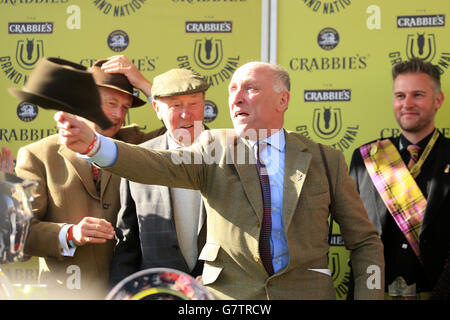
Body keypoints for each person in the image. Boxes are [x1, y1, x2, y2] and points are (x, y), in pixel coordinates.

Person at [55, 61, 385, 300]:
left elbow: (365, 241)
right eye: (232, 89)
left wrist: (370, 296)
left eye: (251, 88)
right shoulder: (213, 147)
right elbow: (154, 163)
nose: (236, 98)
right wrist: (95, 145)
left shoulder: (325, 159)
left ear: (282, 101)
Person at [14, 58, 164, 299]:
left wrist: (145, 85)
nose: (118, 115)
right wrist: (71, 234)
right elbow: (19, 233)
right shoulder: (37, 156)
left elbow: (184, 131)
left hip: (129, 293)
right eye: (111, 103)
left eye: (125, 108)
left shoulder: (133, 142)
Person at [349, 58, 450, 300]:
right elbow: (353, 234)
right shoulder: (366, 158)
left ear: (438, 100)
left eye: (418, 95)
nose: (407, 104)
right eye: (400, 95)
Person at [108, 67, 209, 287]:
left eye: (194, 103)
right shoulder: (138, 159)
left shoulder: (230, 156)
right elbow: (127, 242)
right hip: (158, 291)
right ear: (157, 108)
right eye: (175, 106)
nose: (186, 114)